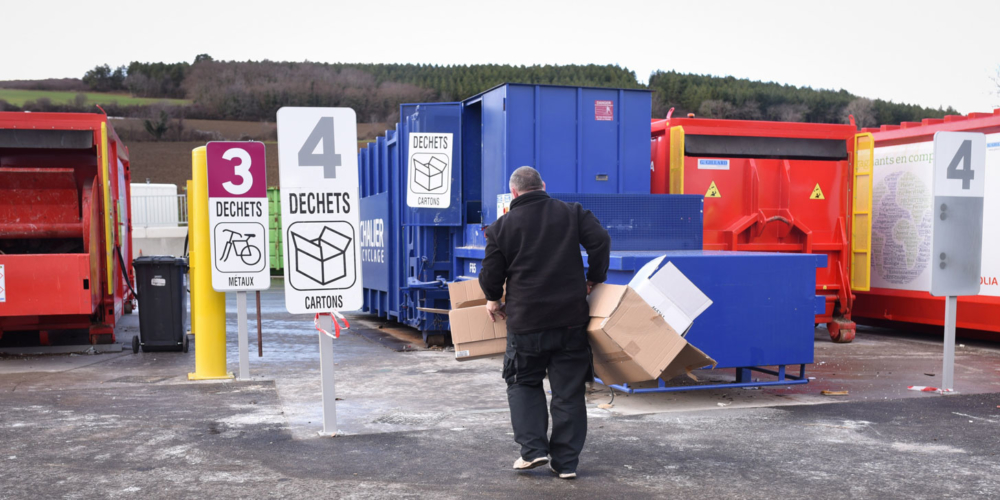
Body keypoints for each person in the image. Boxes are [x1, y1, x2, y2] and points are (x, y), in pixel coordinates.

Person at [478, 166, 611, 480]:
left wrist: (492, 297)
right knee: (568, 392)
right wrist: (595, 277)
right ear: (543, 186)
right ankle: (566, 464)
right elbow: (601, 240)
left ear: (514, 193)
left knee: (523, 382)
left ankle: (534, 451)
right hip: (570, 321)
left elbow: (491, 276)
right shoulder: (572, 213)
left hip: (526, 324)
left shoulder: (501, 227)